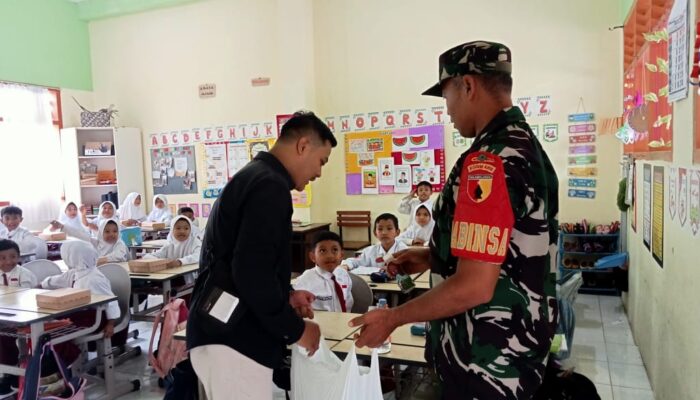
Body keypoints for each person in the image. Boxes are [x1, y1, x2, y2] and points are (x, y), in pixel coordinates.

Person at [350, 41, 559, 399]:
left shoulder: (489, 162)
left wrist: (392, 319)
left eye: (446, 96)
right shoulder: (524, 146)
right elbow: (507, 250)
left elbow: (475, 286)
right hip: (513, 354)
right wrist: (435, 256)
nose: (446, 110)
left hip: (485, 361)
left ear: (468, 85)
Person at [187, 111, 336, 400]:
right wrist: (296, 330)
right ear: (303, 146)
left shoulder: (256, 177)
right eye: (321, 161)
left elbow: (249, 261)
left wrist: (287, 294)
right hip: (233, 339)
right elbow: (251, 273)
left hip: (223, 332)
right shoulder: (270, 186)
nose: (319, 173)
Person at [0, 240, 37, 396]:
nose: (8, 261)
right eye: (2, 258)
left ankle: (12, 372)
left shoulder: (24, 274)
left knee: (4, 337)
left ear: (19, 257)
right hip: (4, 317)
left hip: (25, 316)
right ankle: (7, 372)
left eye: (13, 256)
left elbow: (28, 296)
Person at [293, 231, 353, 312]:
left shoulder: (344, 275)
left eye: (334, 250)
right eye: (322, 251)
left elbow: (349, 304)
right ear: (313, 256)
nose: (329, 256)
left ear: (341, 255)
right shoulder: (305, 280)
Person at [341, 213, 407, 271]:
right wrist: (345, 266)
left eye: (389, 228)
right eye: (380, 229)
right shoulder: (370, 251)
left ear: (397, 232)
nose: (384, 233)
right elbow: (355, 261)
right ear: (375, 233)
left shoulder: (403, 250)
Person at [51, 218, 129, 265]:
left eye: (115, 231)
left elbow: (118, 255)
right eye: (107, 231)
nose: (111, 234)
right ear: (101, 233)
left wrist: (100, 260)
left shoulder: (119, 243)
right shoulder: (97, 242)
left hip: (117, 274)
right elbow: (80, 235)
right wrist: (62, 226)